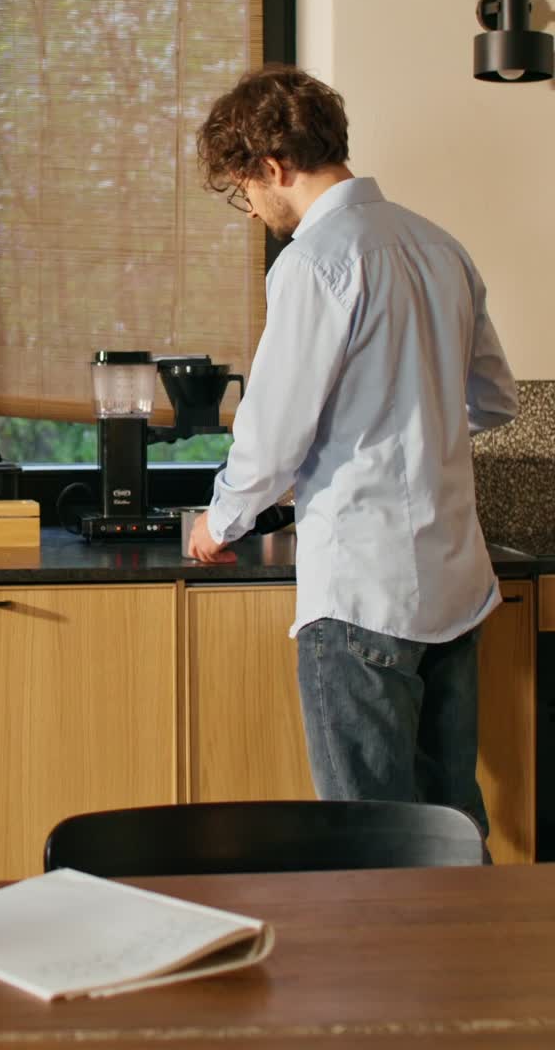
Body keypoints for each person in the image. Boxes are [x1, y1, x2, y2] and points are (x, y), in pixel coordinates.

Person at [187, 65, 517, 842]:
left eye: (245, 189)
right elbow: (496, 400)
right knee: (449, 829)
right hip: (452, 586)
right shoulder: (441, 247)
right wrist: (415, 424)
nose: (254, 208)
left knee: (365, 840)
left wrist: (218, 524)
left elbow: (271, 439)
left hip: (362, 595)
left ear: (273, 166)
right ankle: (468, 967)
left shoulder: (313, 262)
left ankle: (390, 969)